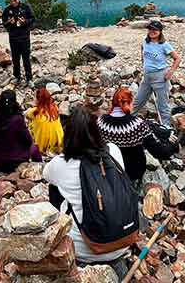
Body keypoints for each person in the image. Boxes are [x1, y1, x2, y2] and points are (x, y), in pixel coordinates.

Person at [43, 107, 131, 279]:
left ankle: (64, 231)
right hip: (123, 240)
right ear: (96, 131)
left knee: (54, 187)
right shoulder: (113, 151)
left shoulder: (60, 164)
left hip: (84, 249)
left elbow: (45, 175)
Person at [133, 20, 181, 129]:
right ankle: (128, 122)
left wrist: (170, 72)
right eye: (150, 29)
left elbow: (177, 58)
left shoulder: (164, 45)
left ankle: (167, 129)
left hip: (160, 77)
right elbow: (143, 54)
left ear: (160, 31)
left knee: (163, 105)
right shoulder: (145, 42)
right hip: (147, 78)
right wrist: (144, 67)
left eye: (155, 29)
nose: (152, 31)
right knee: (137, 101)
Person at [98, 88, 152, 183]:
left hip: (109, 169)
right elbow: (154, 147)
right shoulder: (137, 124)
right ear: (129, 103)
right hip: (133, 172)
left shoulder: (101, 122)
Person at [0, 89, 42, 174]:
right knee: (34, 148)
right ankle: (39, 172)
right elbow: (28, 140)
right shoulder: (17, 119)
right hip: (12, 162)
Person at [2, 0, 35, 85]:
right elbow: (4, 23)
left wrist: (25, 22)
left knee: (26, 58)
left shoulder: (25, 7)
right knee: (15, 59)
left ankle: (29, 78)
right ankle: (17, 77)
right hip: (13, 38)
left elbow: (32, 19)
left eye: (15, 0)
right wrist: (9, 23)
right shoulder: (7, 10)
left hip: (24, 37)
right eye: (11, 1)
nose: (13, 2)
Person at [25, 87, 64, 155]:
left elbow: (26, 115)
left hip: (41, 146)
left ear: (38, 99)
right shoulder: (55, 108)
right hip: (58, 143)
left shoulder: (35, 111)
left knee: (29, 123)